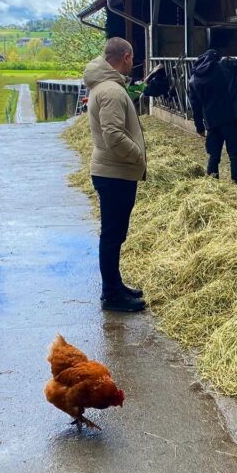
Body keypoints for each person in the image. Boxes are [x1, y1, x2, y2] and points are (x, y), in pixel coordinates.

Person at [84, 37, 147, 313]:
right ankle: (111, 295)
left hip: (114, 171)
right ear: (126, 56)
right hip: (115, 172)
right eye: (131, 58)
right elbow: (113, 135)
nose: (132, 62)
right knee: (112, 235)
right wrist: (137, 155)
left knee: (115, 234)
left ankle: (115, 286)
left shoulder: (107, 86)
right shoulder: (111, 90)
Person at [187, 50, 237, 187]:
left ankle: (212, 187)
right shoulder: (224, 64)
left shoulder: (193, 79)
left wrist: (199, 126)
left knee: (214, 156)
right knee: (235, 157)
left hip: (212, 123)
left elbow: (195, 106)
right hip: (231, 118)